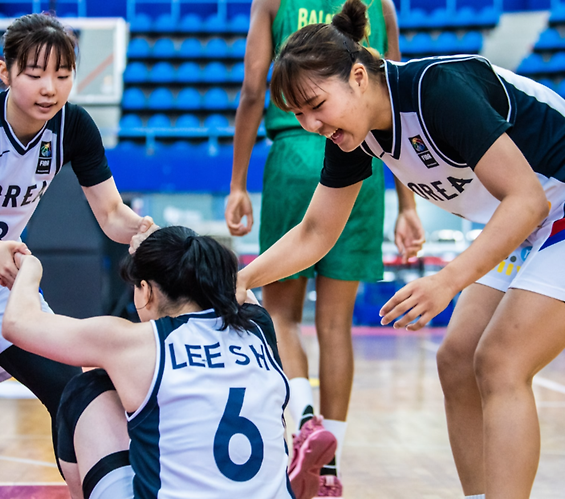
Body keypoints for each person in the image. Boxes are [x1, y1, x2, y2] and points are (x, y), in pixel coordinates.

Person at [236, 0, 565, 498]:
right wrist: (243, 279)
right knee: (456, 359)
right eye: (299, 115)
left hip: (547, 203)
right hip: (530, 218)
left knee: (500, 363)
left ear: (360, 77)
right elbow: (314, 233)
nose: (311, 125)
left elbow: (527, 200)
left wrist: (448, 279)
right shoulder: (354, 135)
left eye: (317, 105)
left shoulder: (436, 91)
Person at [0, 13, 155, 498]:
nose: (50, 88)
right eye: (35, 73)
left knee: (71, 390)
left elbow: (110, 213)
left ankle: (104, 491)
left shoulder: (74, 127)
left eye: (62, 75)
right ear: (5, 72)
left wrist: (145, 232)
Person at [225, 0, 423, 496]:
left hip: (295, 152)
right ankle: (331, 464)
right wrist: (408, 205)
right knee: (336, 325)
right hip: (367, 155)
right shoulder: (382, 6)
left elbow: (254, 90)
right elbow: (398, 98)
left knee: (282, 316)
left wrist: (237, 182)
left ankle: (304, 416)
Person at [2, 226, 295, 499]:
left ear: (148, 291)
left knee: (87, 389)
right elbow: (236, 292)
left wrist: (30, 269)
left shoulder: (136, 343)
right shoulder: (258, 327)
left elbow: (18, 323)